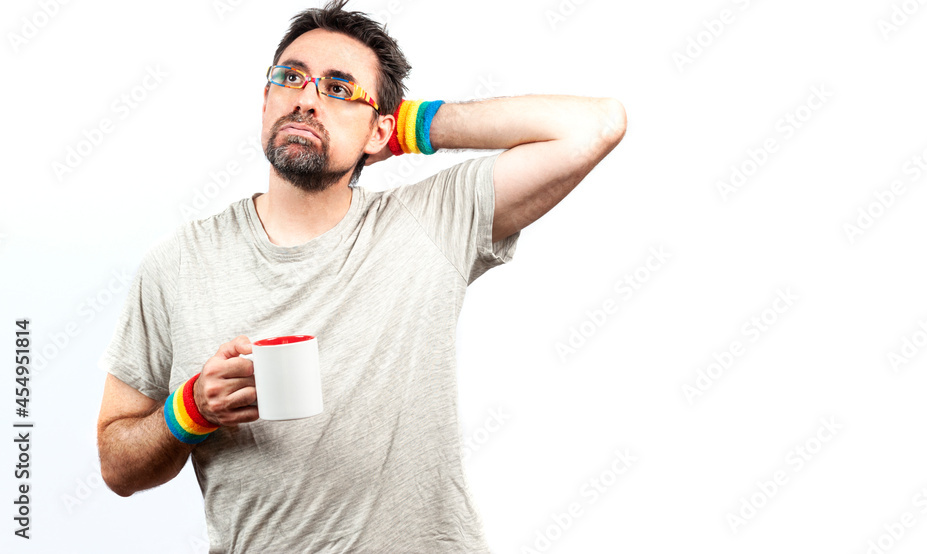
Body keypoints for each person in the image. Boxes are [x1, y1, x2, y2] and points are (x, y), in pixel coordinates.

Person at [96, 1, 626, 551]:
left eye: (338, 88)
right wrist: (189, 411)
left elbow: (595, 125)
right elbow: (117, 464)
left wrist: (407, 126)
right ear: (265, 99)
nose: (305, 99)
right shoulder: (177, 264)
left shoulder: (431, 223)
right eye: (291, 78)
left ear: (380, 133)